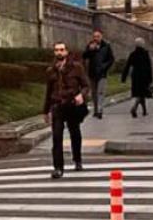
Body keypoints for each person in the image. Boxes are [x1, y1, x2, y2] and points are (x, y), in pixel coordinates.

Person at [44, 41, 90, 179]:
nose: (59, 52)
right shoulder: (51, 70)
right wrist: (45, 111)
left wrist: (81, 95)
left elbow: (86, 85)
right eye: (57, 50)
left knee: (74, 132)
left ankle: (77, 160)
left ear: (66, 52)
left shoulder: (76, 67)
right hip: (57, 106)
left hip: (72, 105)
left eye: (62, 50)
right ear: (54, 52)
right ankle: (58, 168)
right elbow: (48, 92)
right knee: (57, 136)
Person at [81, 29, 115, 119]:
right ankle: (96, 110)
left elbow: (111, 59)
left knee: (100, 92)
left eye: (98, 36)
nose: (96, 38)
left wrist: (105, 67)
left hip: (102, 73)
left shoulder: (106, 46)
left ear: (101, 36)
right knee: (94, 93)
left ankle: (100, 110)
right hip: (92, 73)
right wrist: (90, 50)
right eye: (94, 36)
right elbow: (84, 56)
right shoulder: (90, 45)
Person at [122, 37, 153, 118]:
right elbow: (149, 66)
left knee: (138, 93)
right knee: (141, 94)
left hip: (135, 76)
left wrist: (124, 77)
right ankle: (135, 107)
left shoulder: (133, 54)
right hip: (144, 76)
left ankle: (144, 111)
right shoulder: (145, 53)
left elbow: (127, 66)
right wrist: (150, 79)